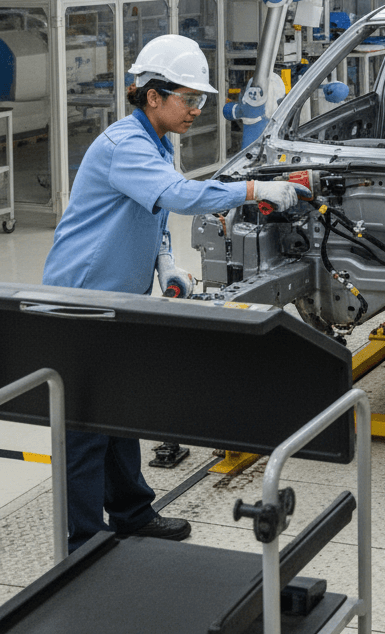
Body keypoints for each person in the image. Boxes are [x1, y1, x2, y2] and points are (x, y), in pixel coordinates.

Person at [42, 34, 302, 553]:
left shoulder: (155, 142)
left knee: (120, 413)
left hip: (122, 300)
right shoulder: (125, 144)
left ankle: (133, 515)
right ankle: (84, 545)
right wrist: (256, 190)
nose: (197, 110)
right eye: (190, 99)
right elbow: (178, 195)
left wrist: (165, 263)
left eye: (201, 99)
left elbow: (152, 210)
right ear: (152, 94)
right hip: (81, 302)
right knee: (87, 428)